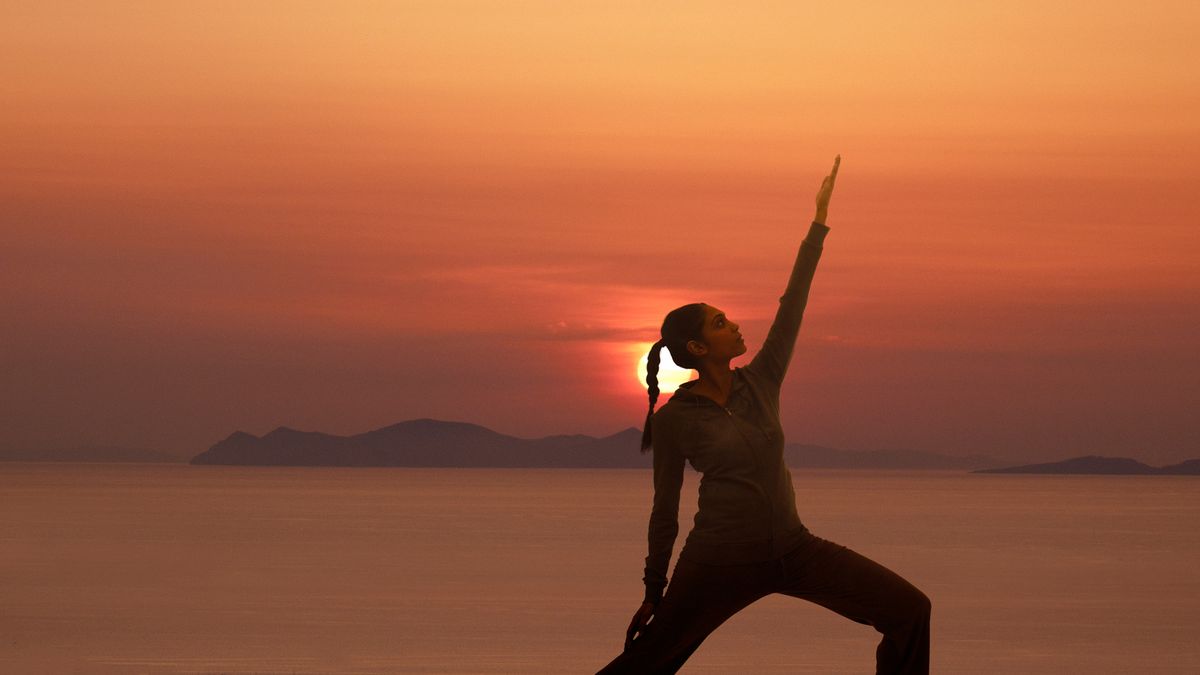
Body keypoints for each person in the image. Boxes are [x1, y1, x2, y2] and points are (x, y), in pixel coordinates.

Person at [597, 156, 931, 674]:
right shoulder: (674, 420)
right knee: (645, 664)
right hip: (717, 562)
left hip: (795, 551)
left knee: (910, 612)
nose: (734, 326)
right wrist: (653, 590)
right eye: (720, 323)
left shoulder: (762, 380)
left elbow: (792, 304)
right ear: (697, 345)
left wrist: (818, 223)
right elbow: (665, 512)